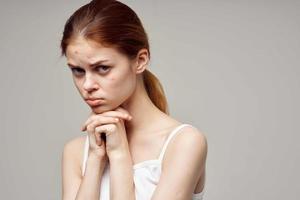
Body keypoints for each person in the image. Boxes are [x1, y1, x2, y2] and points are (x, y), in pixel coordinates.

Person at [61, 0, 208, 199]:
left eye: (102, 68)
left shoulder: (184, 143)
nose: (87, 85)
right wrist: (95, 159)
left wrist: (120, 155)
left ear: (140, 61)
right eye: (78, 71)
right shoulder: (76, 152)